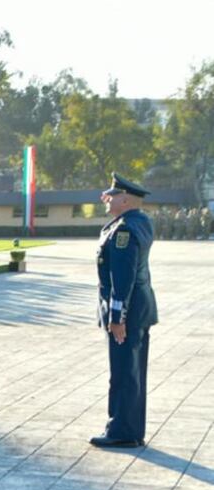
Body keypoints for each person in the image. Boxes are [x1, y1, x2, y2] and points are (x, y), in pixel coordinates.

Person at [91, 173, 158, 448]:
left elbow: (123, 278)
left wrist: (117, 317)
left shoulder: (125, 230)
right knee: (132, 372)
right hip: (140, 309)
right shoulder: (138, 222)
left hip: (127, 314)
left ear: (126, 199)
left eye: (113, 195)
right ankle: (130, 429)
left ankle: (121, 431)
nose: (107, 198)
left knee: (123, 372)